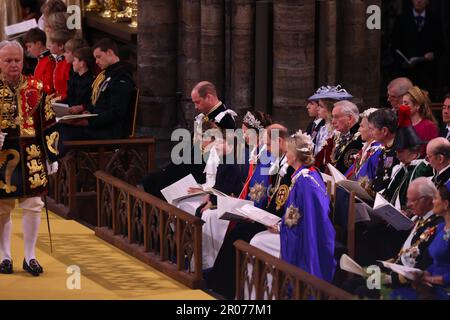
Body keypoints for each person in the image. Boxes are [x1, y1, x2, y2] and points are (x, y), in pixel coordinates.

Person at [205, 124, 294, 299]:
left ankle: (226, 286)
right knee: (237, 231)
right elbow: (273, 195)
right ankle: (221, 282)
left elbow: (287, 202)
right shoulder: (280, 161)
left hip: (278, 221)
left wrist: (268, 218)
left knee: (240, 234)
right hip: (270, 216)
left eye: (268, 145)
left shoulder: (290, 167)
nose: (266, 150)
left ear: (280, 141)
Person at [0, 40, 59, 276]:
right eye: (8, 61)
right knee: (2, 207)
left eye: (18, 60)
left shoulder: (37, 86)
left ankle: (30, 256)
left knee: (34, 205)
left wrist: (52, 155)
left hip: (31, 152)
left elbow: (48, 122)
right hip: (2, 156)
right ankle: (4, 256)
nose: (14, 65)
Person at [343, 178, 442, 299]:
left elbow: (423, 265)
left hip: (410, 284)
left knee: (361, 290)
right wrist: (383, 266)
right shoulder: (422, 218)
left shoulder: (437, 226)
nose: (409, 205)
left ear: (427, 200)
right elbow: (406, 252)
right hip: (396, 272)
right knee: (350, 284)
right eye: (408, 200)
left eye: (413, 201)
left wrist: (390, 279)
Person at [140, 81, 236, 199]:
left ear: (209, 97)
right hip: (188, 163)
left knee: (152, 183)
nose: (196, 107)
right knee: (149, 181)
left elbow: (227, 153)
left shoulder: (225, 118)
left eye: (197, 102)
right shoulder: (205, 116)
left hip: (202, 170)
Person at [59, 38, 135, 143]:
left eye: (99, 57)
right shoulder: (106, 74)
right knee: (59, 126)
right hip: (98, 126)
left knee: (63, 132)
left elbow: (116, 112)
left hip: (108, 132)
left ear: (109, 52)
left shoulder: (121, 78)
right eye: (95, 58)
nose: (96, 62)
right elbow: (97, 100)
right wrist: (87, 111)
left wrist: (89, 121)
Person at [390, 181, 450, 300]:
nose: (433, 202)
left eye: (436, 198)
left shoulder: (436, 224)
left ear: (446, 204)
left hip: (442, 290)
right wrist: (424, 274)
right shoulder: (440, 227)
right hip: (428, 285)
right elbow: (435, 262)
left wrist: (431, 279)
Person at [383, 105, 433, 209]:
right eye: (396, 151)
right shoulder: (399, 169)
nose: (397, 155)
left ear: (414, 153)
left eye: (401, 151)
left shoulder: (422, 170)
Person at [391, 0, 443, 92]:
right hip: (407, 72)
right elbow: (395, 46)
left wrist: (433, 54)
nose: (419, 1)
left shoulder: (435, 20)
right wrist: (402, 62)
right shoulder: (402, 19)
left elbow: (442, 46)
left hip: (428, 72)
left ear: (427, 2)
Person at [345, 108, 382, 189]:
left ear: (372, 129)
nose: (359, 130)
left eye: (361, 126)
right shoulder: (365, 149)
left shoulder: (378, 152)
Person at [402, 85, 438, 157]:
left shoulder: (429, 126)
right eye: (402, 103)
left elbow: (433, 153)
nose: (403, 106)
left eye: (406, 103)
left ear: (417, 106)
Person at [329, 100, 363, 174]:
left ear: (350, 118)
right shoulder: (339, 136)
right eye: (333, 117)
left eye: (336, 117)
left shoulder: (360, 138)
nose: (333, 121)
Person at [23, 27, 55, 95]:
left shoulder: (49, 62)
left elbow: (48, 89)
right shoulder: (41, 60)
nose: (28, 50)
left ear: (38, 44)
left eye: (29, 46)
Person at [48, 29, 72, 101]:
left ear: (61, 46)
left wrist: (57, 98)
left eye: (52, 43)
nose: (49, 45)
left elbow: (70, 90)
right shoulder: (59, 61)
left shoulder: (67, 64)